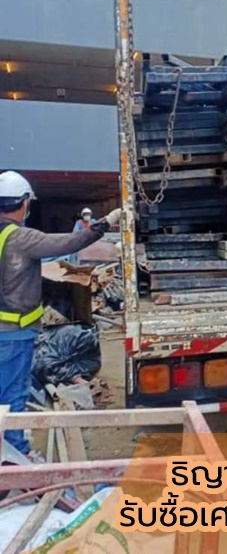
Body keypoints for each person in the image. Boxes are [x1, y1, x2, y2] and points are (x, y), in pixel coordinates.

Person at [0, 171, 121, 459]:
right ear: (24, 203)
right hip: (14, 333)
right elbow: (68, 243)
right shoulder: (21, 238)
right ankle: (15, 453)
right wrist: (105, 224)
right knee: (13, 394)